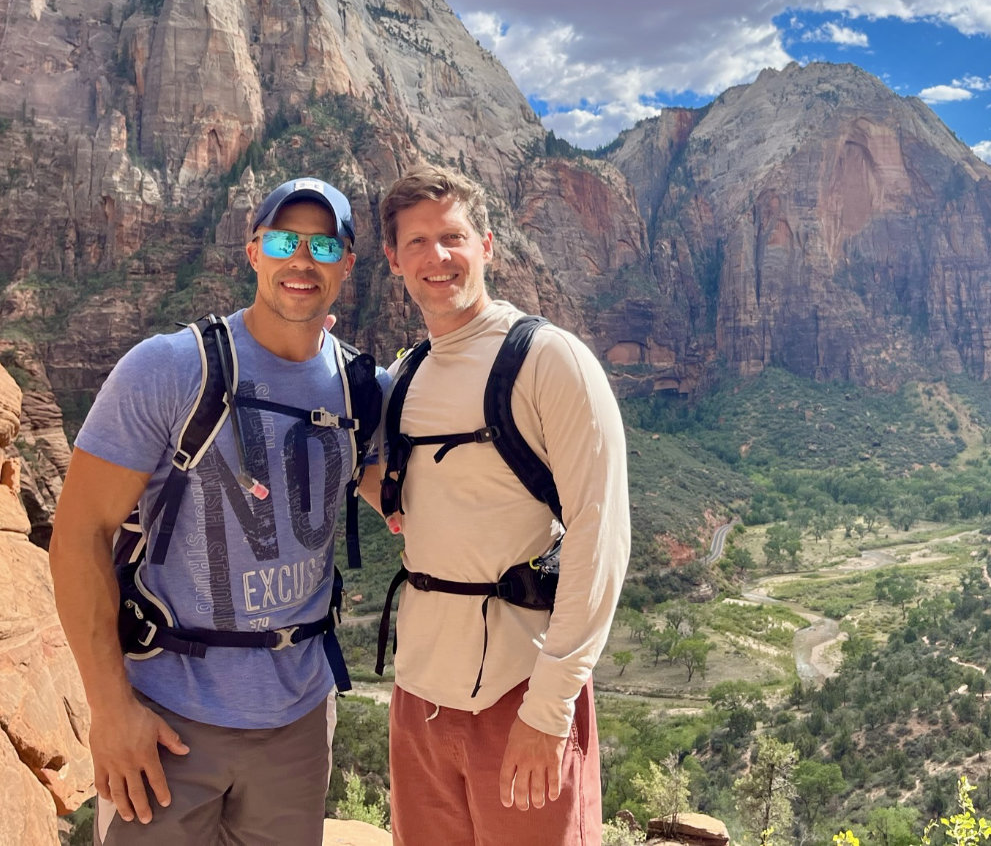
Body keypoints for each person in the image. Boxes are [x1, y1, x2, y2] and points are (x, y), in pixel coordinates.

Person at [50, 176, 383, 845]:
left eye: (323, 245)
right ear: (253, 250)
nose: (302, 259)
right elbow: (79, 534)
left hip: (297, 726)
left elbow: (413, 499)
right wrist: (111, 711)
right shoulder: (170, 369)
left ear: (348, 263)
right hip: (169, 719)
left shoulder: (361, 389)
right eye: (285, 240)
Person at [365, 164, 630, 845]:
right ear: (393, 260)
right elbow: (385, 485)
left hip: (520, 691)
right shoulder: (404, 378)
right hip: (418, 696)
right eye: (417, 242)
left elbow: (601, 543)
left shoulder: (551, 361)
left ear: (487, 245)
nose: (438, 257)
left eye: (452, 237)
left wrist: (549, 711)